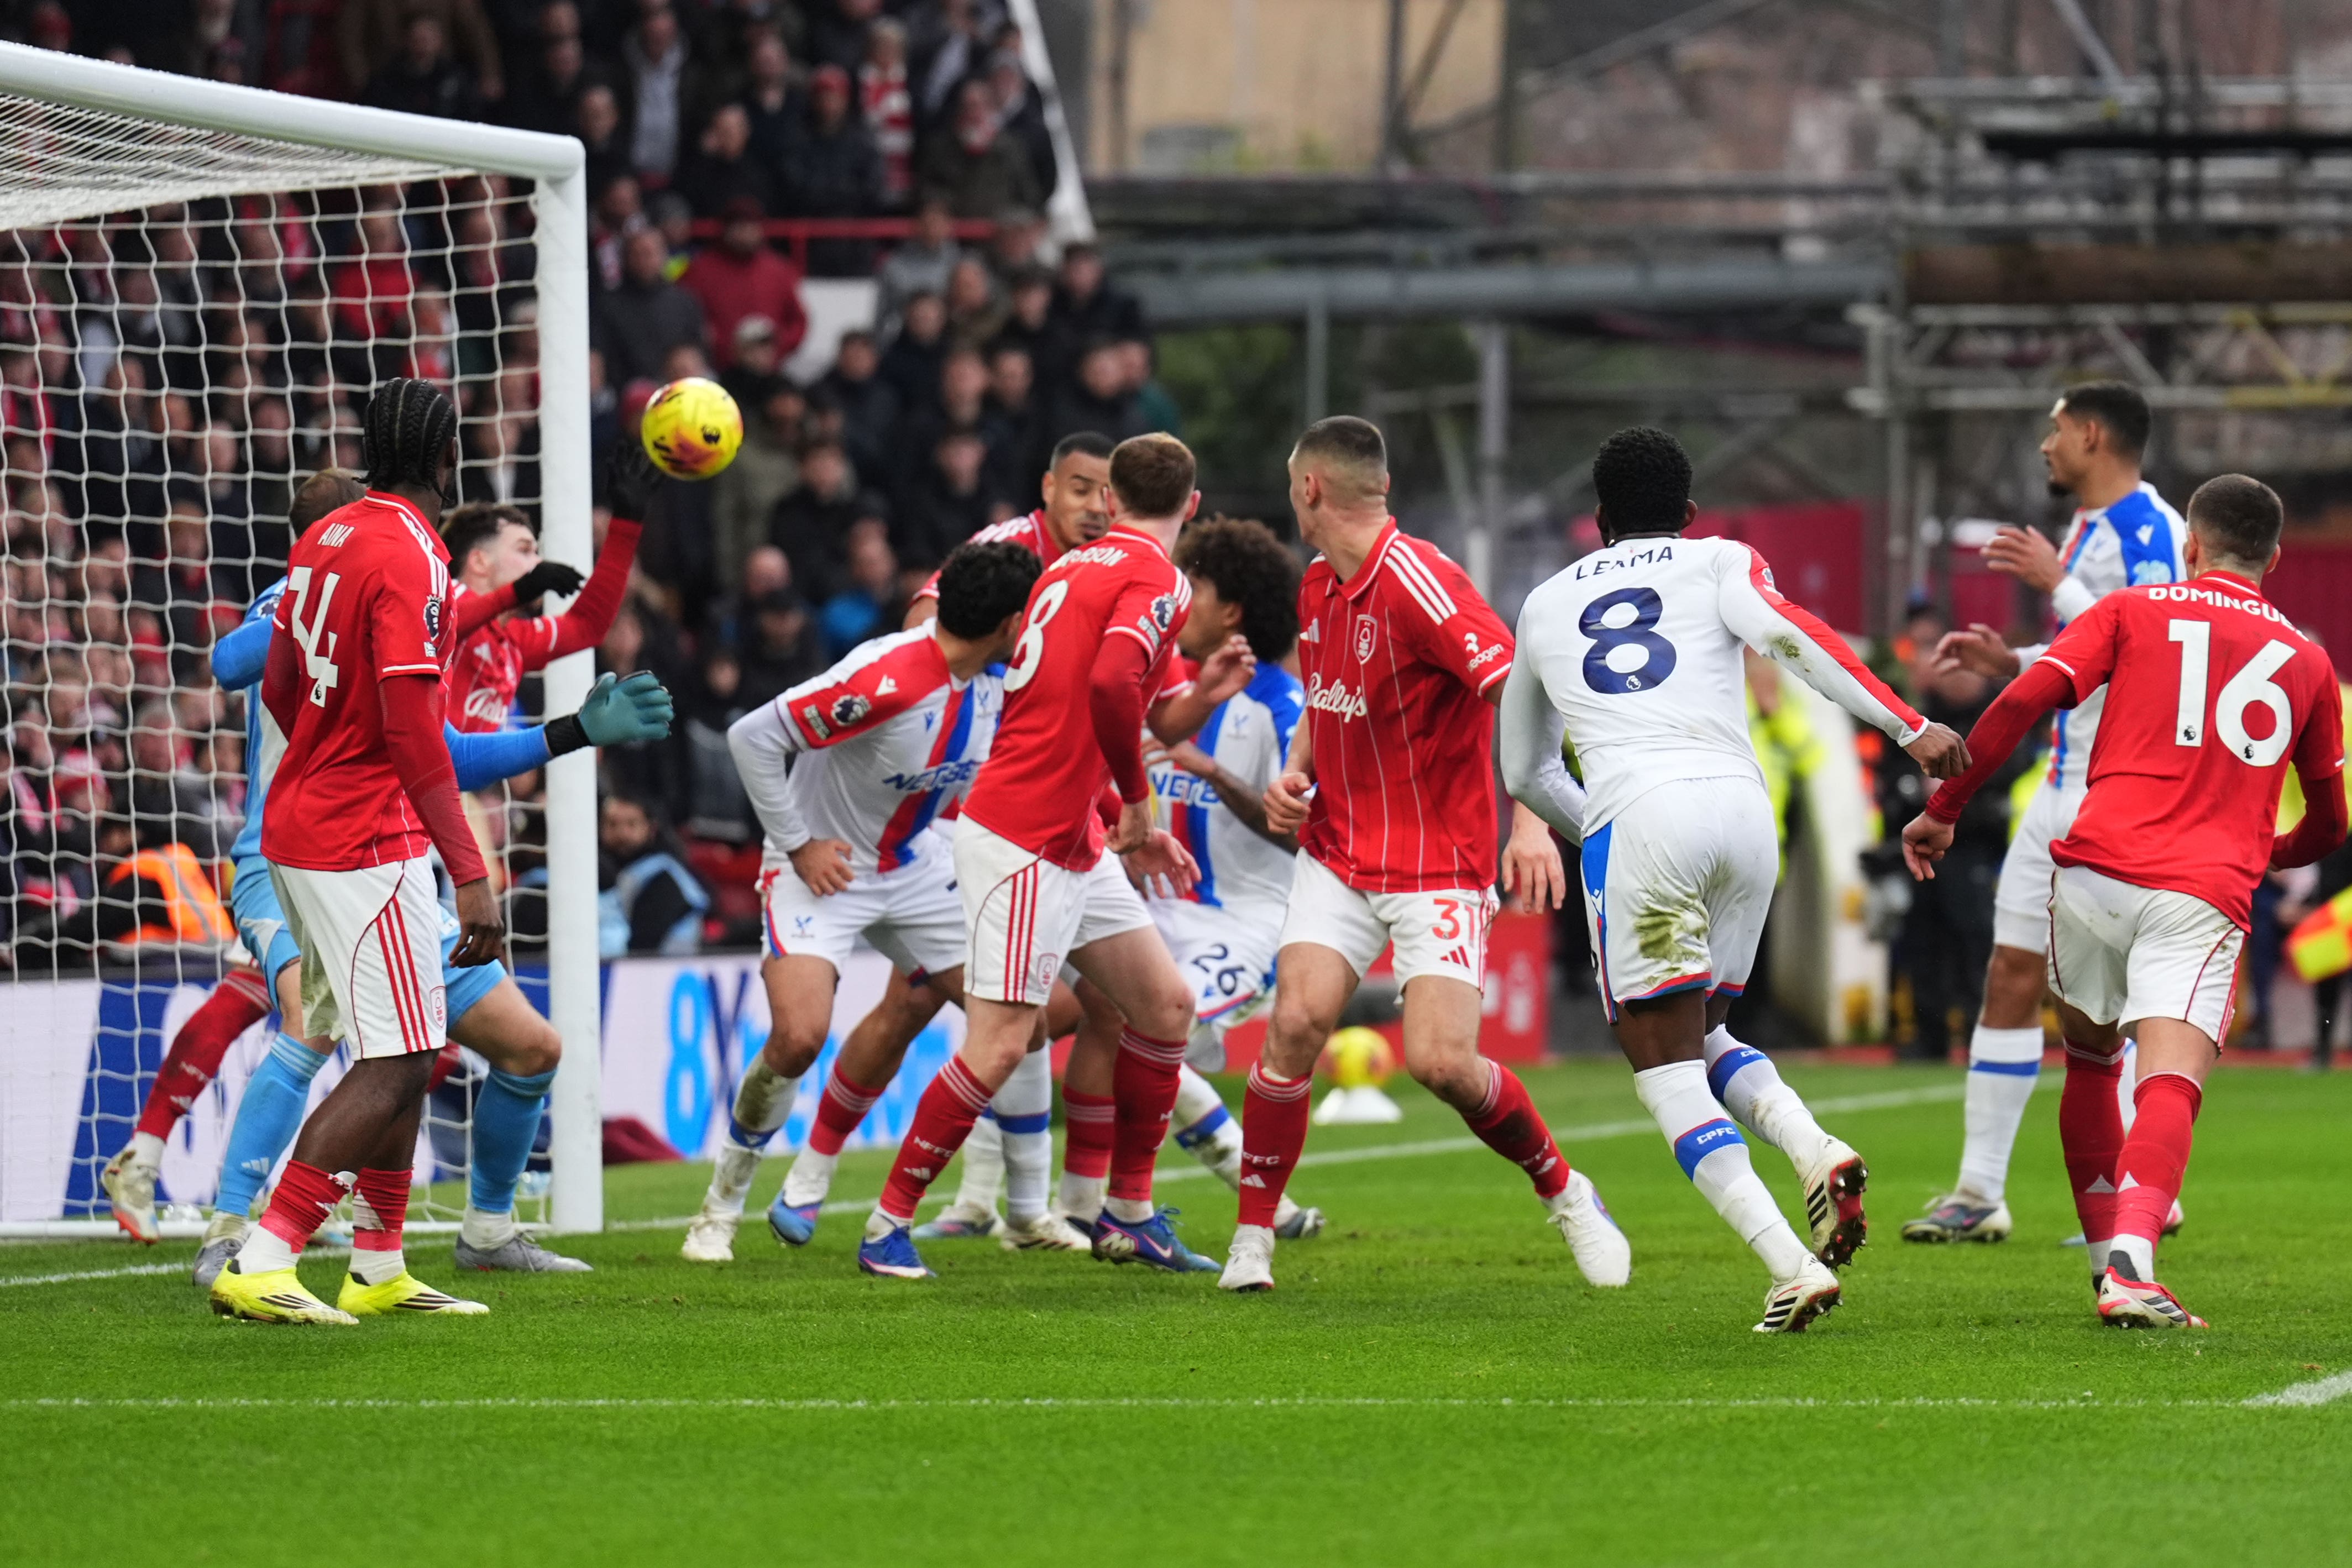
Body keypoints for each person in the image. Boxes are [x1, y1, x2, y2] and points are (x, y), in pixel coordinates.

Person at [131, 478, 675, 1284]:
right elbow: (228, 660)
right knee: (313, 1024)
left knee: (527, 1049)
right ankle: (231, 1231)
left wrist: (566, 722)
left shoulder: (408, 610)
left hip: (393, 864)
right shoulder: (304, 598)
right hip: (284, 861)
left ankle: (478, 1232)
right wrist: (312, 595)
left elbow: (444, 744)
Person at [1500, 425, 1967, 1331]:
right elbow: (1794, 638)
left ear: (1597, 521)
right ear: (1687, 514)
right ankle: (1813, 1143)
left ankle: (1791, 1265)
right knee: (1706, 1026)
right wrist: (1908, 724)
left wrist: (1599, 824)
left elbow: (1523, 770)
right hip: (1747, 818)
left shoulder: (1546, 603)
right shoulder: (1720, 559)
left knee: (1658, 1058)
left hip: (1644, 813)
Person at [1901, 473, 2345, 1327]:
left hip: (2092, 872)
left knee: (2092, 1058)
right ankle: (2132, 1266)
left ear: (2190, 546)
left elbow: (2024, 699)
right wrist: (2264, 855)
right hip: (2197, 889)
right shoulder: (2307, 660)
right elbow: (2329, 824)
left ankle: (2106, 1253)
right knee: (2168, 1081)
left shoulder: (2132, 611)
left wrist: (1942, 808)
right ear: (2274, 558)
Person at [1219, 416, 1607, 1297]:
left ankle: (1563, 1188)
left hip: (1438, 859)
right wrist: (1293, 772)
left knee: (1440, 1063)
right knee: (1293, 1026)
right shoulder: (1318, 587)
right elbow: (1326, 697)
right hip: (1339, 854)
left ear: (1309, 490)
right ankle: (1252, 1241)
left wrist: (1531, 821)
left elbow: (1517, 690)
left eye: (1291, 487)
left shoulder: (1423, 583)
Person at [856, 433, 1206, 1279]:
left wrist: (1113, 809)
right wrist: (1136, 795)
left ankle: (1127, 1214)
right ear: (1189, 505)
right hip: (1022, 838)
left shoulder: (1064, 569)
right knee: (1003, 1041)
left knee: (1163, 1007)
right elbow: (1110, 686)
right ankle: (885, 1225)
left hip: (1065, 832)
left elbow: (1076, 702)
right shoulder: (1158, 579)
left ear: (1112, 497)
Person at [205, 380, 504, 1324]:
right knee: (405, 1056)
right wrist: (473, 875)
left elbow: (285, 685)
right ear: (448, 457)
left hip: (301, 818)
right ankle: (266, 1253)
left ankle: (377, 1262)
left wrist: (326, 760)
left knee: (397, 1045)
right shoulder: (415, 554)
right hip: (363, 837)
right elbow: (419, 737)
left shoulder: (322, 538)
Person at [679, 542, 1043, 1261]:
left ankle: (1019, 1211)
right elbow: (750, 735)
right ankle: (717, 1210)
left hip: (913, 867)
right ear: (1007, 621)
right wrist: (799, 842)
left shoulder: (1001, 678)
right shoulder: (889, 678)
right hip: (823, 867)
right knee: (798, 1038)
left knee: (1033, 1024)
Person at [1904, 381, 2189, 1244]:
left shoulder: (2151, 532)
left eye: (2055, 429)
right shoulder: (2094, 527)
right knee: (2009, 977)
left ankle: (2146, 1190)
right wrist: (2014, 658)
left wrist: (2059, 586)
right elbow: (2090, 646)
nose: (2043, 444)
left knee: (2116, 1007)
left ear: (2092, 435)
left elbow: (2157, 649)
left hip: (2120, 792)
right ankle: (1978, 1191)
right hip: (2057, 788)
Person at [439, 444, 654, 733]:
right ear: (479, 562)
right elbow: (448, 623)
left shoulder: (512, 641)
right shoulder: (445, 595)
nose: (538, 562)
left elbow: (587, 624)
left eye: (537, 552)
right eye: (524, 550)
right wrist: (517, 591)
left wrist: (626, 526)